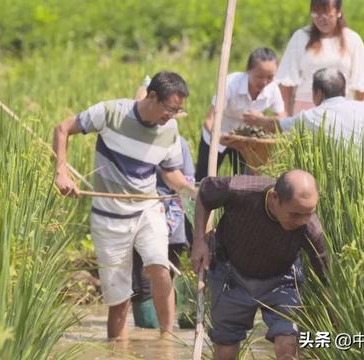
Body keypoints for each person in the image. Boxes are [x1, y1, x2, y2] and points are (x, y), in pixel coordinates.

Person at [52, 71, 197, 340]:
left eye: (178, 111)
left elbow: (171, 173)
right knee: (118, 299)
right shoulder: (110, 113)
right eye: (170, 109)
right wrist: (61, 172)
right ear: (152, 96)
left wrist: (193, 192)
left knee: (158, 266)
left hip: (147, 210)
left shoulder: (170, 129)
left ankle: (166, 344)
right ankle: (118, 349)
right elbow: (62, 129)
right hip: (109, 217)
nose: (172, 116)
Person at [191, 170, 327, 360]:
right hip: (230, 274)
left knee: (287, 345)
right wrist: (199, 241)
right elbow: (205, 193)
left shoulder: (310, 227)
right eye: (295, 214)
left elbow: (325, 273)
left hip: (282, 280)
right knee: (226, 349)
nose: (303, 221)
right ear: (274, 198)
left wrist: (332, 313)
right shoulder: (241, 190)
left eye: (309, 213)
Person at [130, 77, 196, 329]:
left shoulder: (179, 144)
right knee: (143, 283)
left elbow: (185, 182)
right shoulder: (131, 140)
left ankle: (166, 338)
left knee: (167, 277)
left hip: (171, 221)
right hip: (139, 218)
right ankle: (149, 336)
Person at [264, 68, 364, 165]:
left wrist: (259, 121)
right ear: (343, 90)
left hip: (337, 189)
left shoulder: (310, 117)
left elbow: (279, 126)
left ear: (318, 93)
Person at [194, 47, 287, 181]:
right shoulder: (230, 83)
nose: (264, 82)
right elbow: (209, 120)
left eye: (270, 77)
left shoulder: (273, 89)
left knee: (244, 182)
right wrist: (219, 137)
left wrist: (263, 120)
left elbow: (282, 118)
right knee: (203, 179)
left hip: (244, 140)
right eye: (259, 76)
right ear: (248, 70)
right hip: (216, 133)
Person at [276, 0, 364, 116]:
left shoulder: (352, 39)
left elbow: (362, 87)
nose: (321, 19)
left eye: (327, 14)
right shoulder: (300, 37)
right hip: (306, 110)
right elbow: (286, 83)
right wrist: (284, 117)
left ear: (338, 12)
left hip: (343, 110)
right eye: (316, 14)